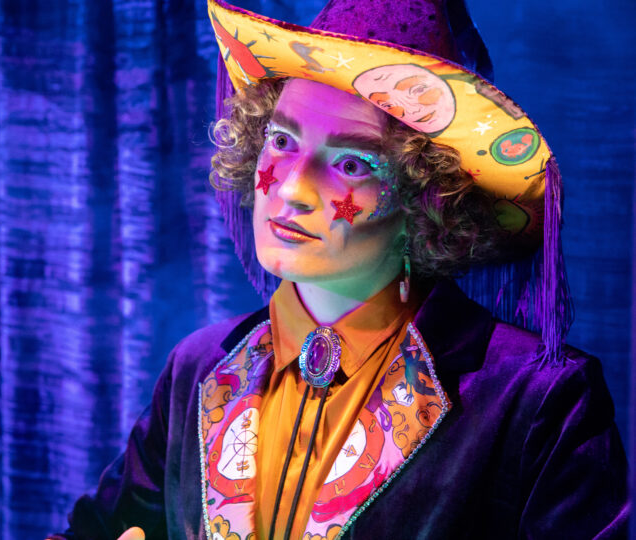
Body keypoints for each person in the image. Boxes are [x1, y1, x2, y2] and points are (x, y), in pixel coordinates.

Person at [50, 0, 630, 538]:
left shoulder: (535, 398)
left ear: (428, 194)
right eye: (281, 140)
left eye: (352, 162)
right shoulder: (197, 368)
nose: (295, 189)